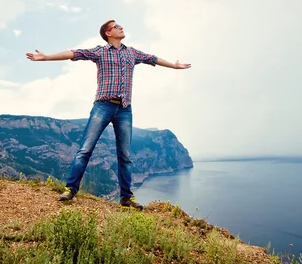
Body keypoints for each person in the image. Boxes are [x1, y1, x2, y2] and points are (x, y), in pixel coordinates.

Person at [26, 20, 191, 210]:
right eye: (117, 26)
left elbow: (153, 59)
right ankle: (70, 189)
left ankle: (126, 198)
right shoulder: (99, 52)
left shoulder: (132, 53)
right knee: (85, 149)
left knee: (125, 156)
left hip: (124, 109)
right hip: (102, 106)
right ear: (108, 33)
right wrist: (46, 57)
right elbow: (74, 53)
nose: (121, 27)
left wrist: (174, 66)